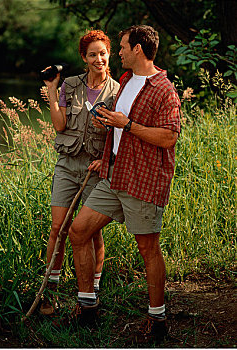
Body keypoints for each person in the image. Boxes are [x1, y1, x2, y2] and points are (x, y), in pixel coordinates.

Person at [67, 25, 181, 343]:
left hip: (143, 180)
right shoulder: (128, 80)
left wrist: (127, 125)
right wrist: (109, 137)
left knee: (148, 248)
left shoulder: (164, 89)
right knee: (78, 232)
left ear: (139, 50)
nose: (118, 52)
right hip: (115, 173)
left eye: (123, 47)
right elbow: (122, 129)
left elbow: (169, 136)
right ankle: (88, 308)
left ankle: (157, 321)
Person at [40, 30, 120, 315]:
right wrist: (52, 90)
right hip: (67, 165)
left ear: (109, 54)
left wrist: (106, 156)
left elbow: (120, 135)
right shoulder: (71, 86)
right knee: (57, 228)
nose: (99, 59)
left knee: (90, 232)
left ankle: (93, 287)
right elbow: (60, 126)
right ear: (83, 58)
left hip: (95, 168)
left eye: (103, 53)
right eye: (92, 55)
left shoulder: (118, 91)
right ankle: (51, 290)